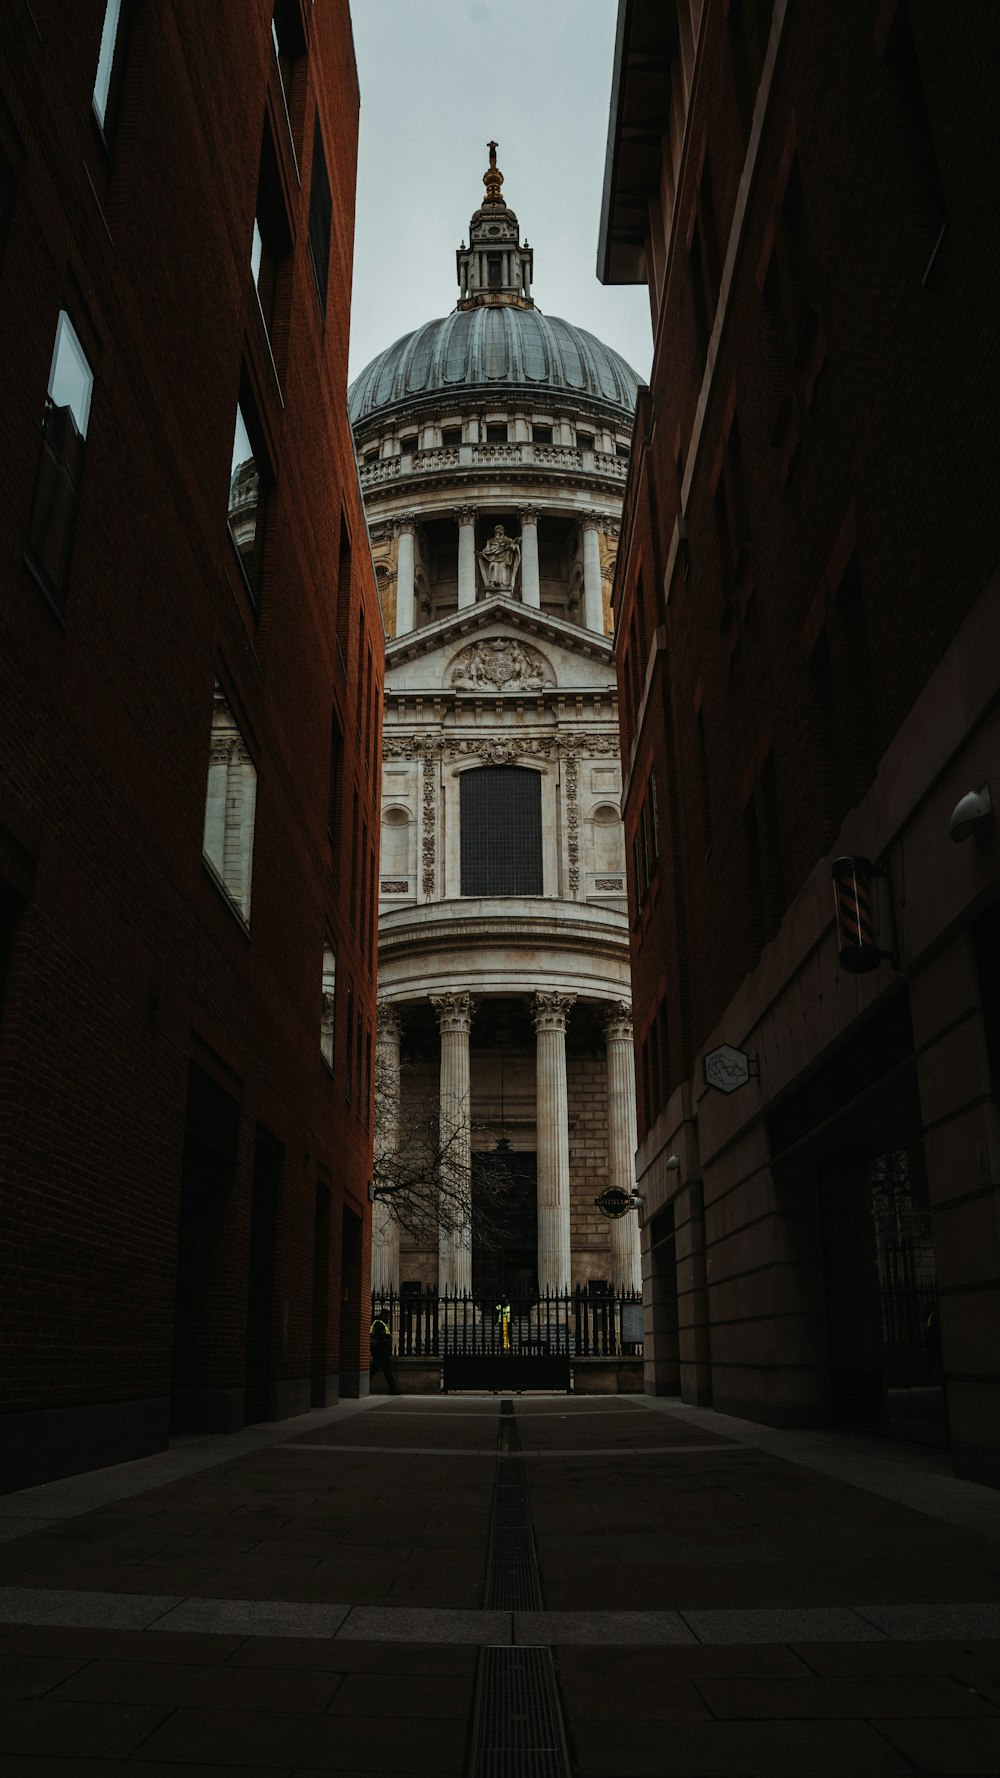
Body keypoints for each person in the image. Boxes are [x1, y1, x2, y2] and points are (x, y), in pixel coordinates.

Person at [370, 1308, 397, 1393]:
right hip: (380, 1351)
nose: (389, 1318)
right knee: (375, 1369)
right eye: (388, 1316)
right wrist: (386, 1337)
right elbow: (378, 1335)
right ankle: (392, 1389)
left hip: (383, 1352)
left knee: (387, 1370)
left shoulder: (381, 1323)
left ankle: (392, 1389)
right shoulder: (378, 1323)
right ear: (383, 1315)